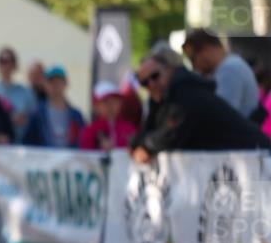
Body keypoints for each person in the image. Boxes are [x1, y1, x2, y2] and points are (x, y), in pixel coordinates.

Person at [129, 53, 271, 163]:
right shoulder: (167, 98)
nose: (151, 84)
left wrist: (147, 148)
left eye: (155, 76)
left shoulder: (187, 94)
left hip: (257, 161)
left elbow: (172, 134)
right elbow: (154, 128)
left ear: (170, 70)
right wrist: (137, 145)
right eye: (144, 82)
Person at [181, 28, 261, 121]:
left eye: (193, 58)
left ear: (207, 49)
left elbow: (220, 116)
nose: (194, 66)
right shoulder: (230, 65)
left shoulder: (229, 70)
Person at [22, 65, 85, 147]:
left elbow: (83, 142)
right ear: (44, 85)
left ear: (66, 84)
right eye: (51, 82)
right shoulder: (37, 114)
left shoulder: (76, 116)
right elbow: (27, 143)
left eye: (59, 82)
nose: (55, 86)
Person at [78, 81, 137, 151]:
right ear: (96, 106)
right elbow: (86, 156)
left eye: (115, 100)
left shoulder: (130, 129)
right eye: (105, 101)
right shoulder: (89, 131)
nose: (111, 105)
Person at [0, 46, 36, 138]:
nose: (6, 65)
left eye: (9, 61)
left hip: (18, 143)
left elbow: (33, 120)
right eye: (2, 61)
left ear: (15, 65)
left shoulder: (26, 93)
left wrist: (24, 120)